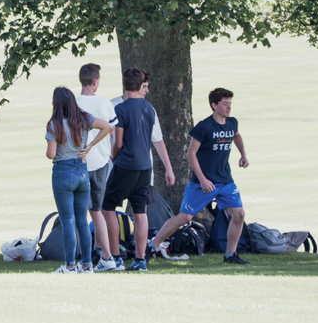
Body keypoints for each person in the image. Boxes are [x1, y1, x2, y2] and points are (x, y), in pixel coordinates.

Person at [149, 88, 251, 264]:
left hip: (225, 181)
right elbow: (191, 154)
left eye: (230, 104)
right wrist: (203, 179)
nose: (228, 107)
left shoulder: (232, 123)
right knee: (185, 217)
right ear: (214, 105)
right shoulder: (204, 127)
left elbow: (237, 135)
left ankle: (230, 255)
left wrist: (243, 154)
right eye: (225, 104)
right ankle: (153, 245)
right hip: (203, 183)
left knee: (239, 214)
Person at [100, 68, 174, 272]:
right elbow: (154, 138)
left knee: (107, 208)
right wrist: (168, 168)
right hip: (145, 168)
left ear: (125, 85)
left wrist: (114, 157)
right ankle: (141, 260)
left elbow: (118, 143)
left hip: (125, 165)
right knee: (141, 211)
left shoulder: (120, 109)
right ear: (141, 86)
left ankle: (115, 258)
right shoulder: (149, 108)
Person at [45, 87, 112, 274]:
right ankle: (87, 264)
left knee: (68, 221)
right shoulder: (83, 118)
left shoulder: (54, 124)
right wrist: (89, 146)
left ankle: (69, 265)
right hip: (82, 171)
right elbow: (107, 126)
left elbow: (51, 154)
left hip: (63, 172)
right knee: (83, 220)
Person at [74, 64, 121, 272]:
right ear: (95, 81)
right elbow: (113, 135)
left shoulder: (72, 103)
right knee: (97, 211)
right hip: (101, 162)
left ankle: (92, 258)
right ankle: (105, 255)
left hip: (78, 162)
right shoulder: (105, 103)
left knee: (79, 213)